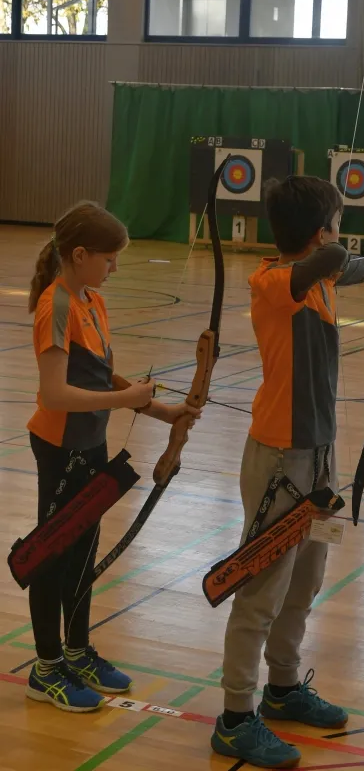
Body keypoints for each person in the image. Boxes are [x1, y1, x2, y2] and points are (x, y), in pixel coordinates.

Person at [211, 176, 364, 767]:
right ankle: (235, 717)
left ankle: (283, 686)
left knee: (309, 576)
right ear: (322, 232)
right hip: (280, 460)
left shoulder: (318, 275)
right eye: (337, 222)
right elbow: (331, 259)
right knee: (262, 590)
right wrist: (343, 250)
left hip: (322, 459)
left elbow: (345, 265)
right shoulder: (274, 281)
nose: (339, 236)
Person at [25, 201, 201, 713]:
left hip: (90, 443)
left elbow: (101, 378)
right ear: (79, 255)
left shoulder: (91, 301)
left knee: (83, 552)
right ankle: (45, 669)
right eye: (109, 258)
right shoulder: (57, 307)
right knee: (50, 555)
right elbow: (55, 394)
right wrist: (125, 399)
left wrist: (161, 411)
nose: (115, 267)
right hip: (59, 447)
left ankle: (77, 652)